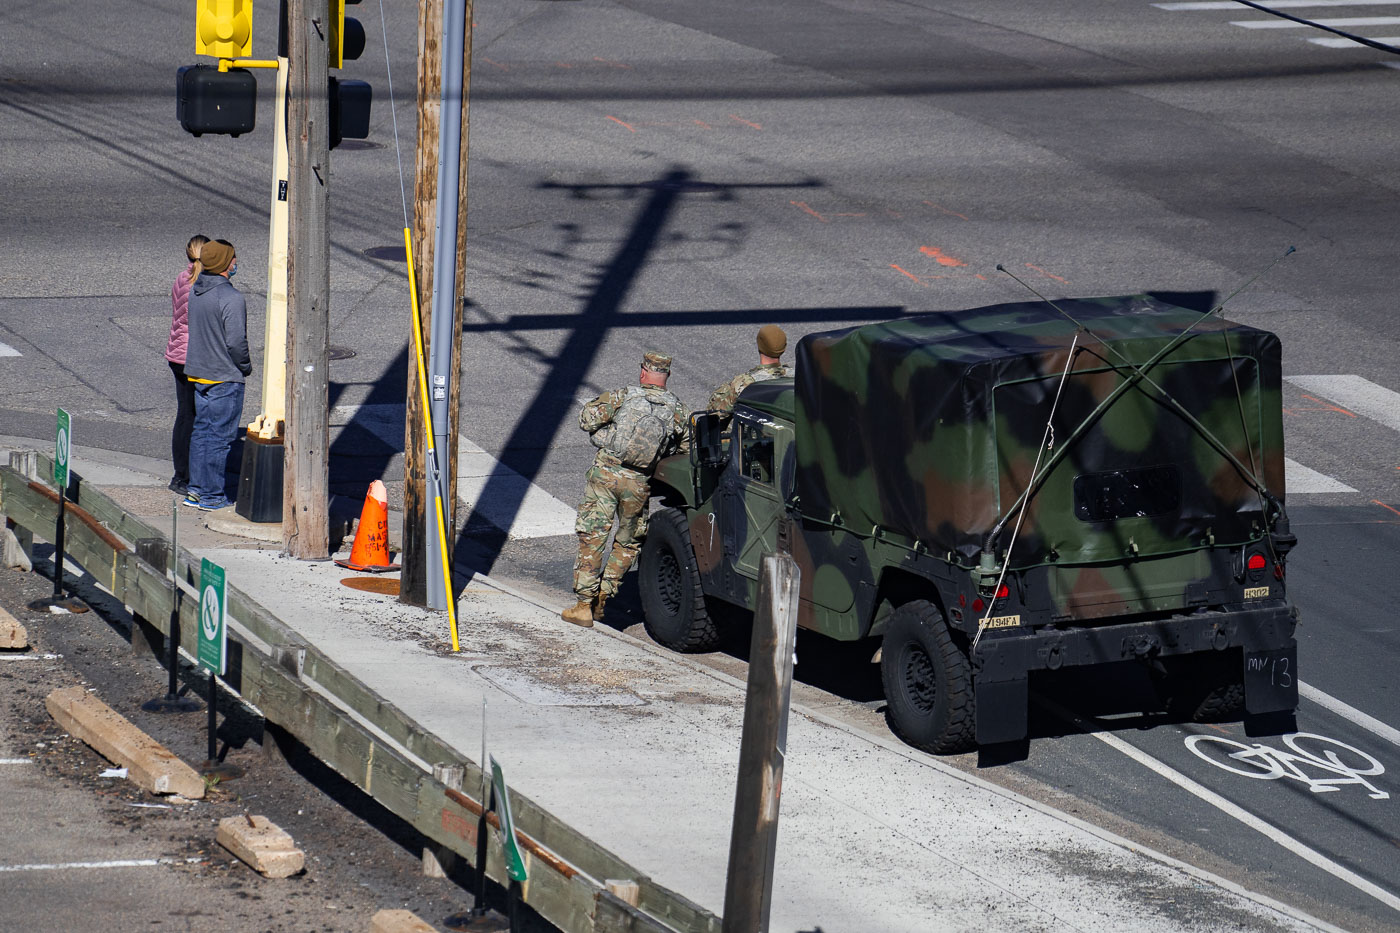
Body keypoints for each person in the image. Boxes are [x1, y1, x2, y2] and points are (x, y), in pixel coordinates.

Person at [562, 350, 689, 627]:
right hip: (639, 483)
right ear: (666, 376)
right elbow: (685, 449)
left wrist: (605, 436)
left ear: (643, 371)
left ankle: (584, 604)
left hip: (606, 475)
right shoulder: (678, 411)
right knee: (629, 541)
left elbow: (587, 420)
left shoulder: (624, 396)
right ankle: (604, 596)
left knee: (594, 535)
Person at [183, 239, 251, 511]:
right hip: (224, 376)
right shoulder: (231, 298)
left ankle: (196, 490)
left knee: (201, 433)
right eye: (233, 258)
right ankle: (212, 495)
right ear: (225, 263)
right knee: (220, 439)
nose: (236, 262)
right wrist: (245, 366)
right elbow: (236, 342)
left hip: (200, 374)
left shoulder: (195, 292)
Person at [165, 234, 208, 496]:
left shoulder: (181, 279)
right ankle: (192, 475)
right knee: (200, 417)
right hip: (196, 357)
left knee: (185, 415)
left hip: (177, 354)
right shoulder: (204, 284)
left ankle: (180, 474)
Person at [705, 324, 792, 415]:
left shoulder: (744, 383)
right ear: (784, 348)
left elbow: (714, 413)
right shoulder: (799, 376)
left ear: (759, 345)